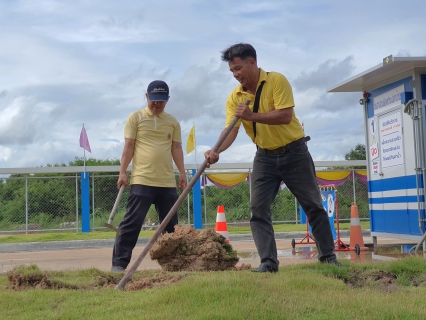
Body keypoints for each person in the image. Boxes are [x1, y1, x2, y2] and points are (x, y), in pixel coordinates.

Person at [204, 43, 341, 273]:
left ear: (252, 63)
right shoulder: (234, 98)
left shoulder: (277, 81)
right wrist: (216, 150)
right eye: (232, 72)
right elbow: (232, 129)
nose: (236, 75)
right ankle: (268, 262)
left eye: (238, 68)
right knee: (258, 210)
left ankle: (328, 257)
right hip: (264, 158)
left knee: (314, 206)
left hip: (295, 153)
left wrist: (252, 115)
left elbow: (285, 116)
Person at [111, 80, 187, 272]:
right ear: (146, 97)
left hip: (167, 181)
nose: (156, 105)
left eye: (161, 101)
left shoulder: (172, 122)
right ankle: (119, 265)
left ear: (167, 100)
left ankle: (173, 266)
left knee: (170, 227)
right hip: (142, 179)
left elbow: (176, 148)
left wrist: (182, 173)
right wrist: (122, 172)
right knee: (131, 223)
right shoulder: (135, 118)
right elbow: (128, 146)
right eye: (153, 101)